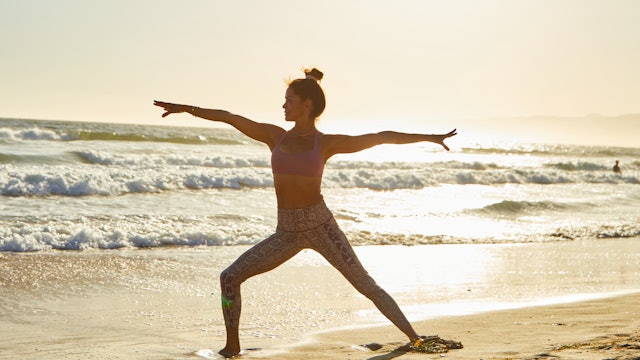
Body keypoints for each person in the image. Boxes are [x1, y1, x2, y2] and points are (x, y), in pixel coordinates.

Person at [154, 68, 457, 358]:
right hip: (286, 233)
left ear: (306, 105)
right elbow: (229, 117)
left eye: (289, 100)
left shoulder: (324, 144)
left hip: (321, 226)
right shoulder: (275, 136)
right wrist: (186, 108)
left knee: (365, 284)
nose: (283, 105)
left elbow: (380, 136)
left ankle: (414, 337)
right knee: (230, 277)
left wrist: (429, 137)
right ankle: (232, 348)